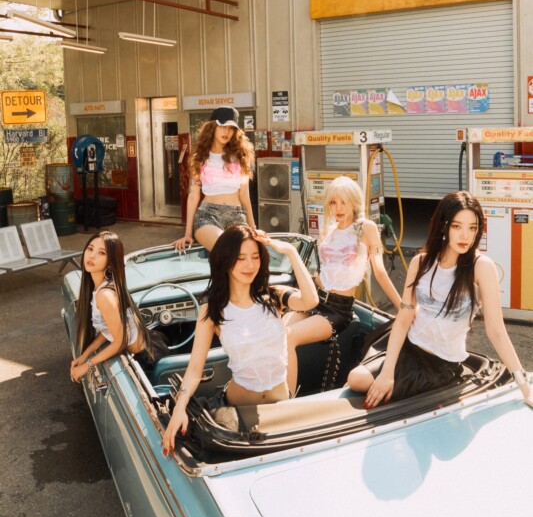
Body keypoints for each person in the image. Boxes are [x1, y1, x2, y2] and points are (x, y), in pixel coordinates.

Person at [347, 191, 533, 408]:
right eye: (457, 226)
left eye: (472, 228)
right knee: (355, 378)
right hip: (409, 348)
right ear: (444, 226)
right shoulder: (420, 262)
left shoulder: (481, 267)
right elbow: (404, 318)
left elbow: (496, 331)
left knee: (370, 390)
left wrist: (524, 387)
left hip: (442, 366)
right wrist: (387, 372)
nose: (465, 236)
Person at [162, 224, 318, 454]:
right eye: (241, 258)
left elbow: (311, 300)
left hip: (280, 407)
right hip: (234, 411)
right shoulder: (212, 310)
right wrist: (179, 409)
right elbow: (194, 370)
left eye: (255, 257)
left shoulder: (273, 296)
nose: (250, 265)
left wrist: (291, 251)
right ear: (226, 260)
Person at [284, 175, 401, 395]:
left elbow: (379, 271)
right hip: (316, 300)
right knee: (277, 332)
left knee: (288, 337)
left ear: (354, 202)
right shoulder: (328, 230)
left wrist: (403, 308)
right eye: (333, 202)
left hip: (338, 309)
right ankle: (270, 392)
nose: (338, 208)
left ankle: (286, 403)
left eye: (343, 202)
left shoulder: (365, 228)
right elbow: (322, 273)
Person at [70, 230, 168, 383]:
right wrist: (84, 355)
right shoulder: (103, 287)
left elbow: (119, 342)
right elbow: (108, 329)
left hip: (148, 360)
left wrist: (87, 366)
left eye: (101, 253)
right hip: (149, 347)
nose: (92, 256)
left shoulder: (104, 295)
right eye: (90, 249)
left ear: (111, 261)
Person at [174, 106, 256, 252]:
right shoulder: (199, 158)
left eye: (231, 128)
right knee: (225, 249)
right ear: (212, 127)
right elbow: (193, 196)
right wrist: (187, 234)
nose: (226, 132)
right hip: (207, 215)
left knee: (244, 253)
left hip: (236, 215)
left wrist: (253, 227)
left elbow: (245, 195)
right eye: (222, 126)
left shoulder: (241, 157)